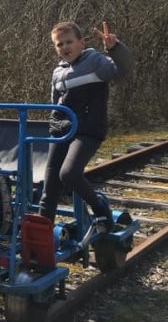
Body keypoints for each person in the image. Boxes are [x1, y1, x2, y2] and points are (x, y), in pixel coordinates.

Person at [38, 20, 134, 227]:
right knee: (50, 187)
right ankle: (40, 239)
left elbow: (123, 71)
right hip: (60, 130)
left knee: (69, 174)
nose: (64, 47)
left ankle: (99, 207)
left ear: (81, 43)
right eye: (59, 44)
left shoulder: (95, 61)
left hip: (88, 129)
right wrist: (53, 125)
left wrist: (114, 48)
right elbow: (55, 103)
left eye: (69, 42)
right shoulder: (58, 72)